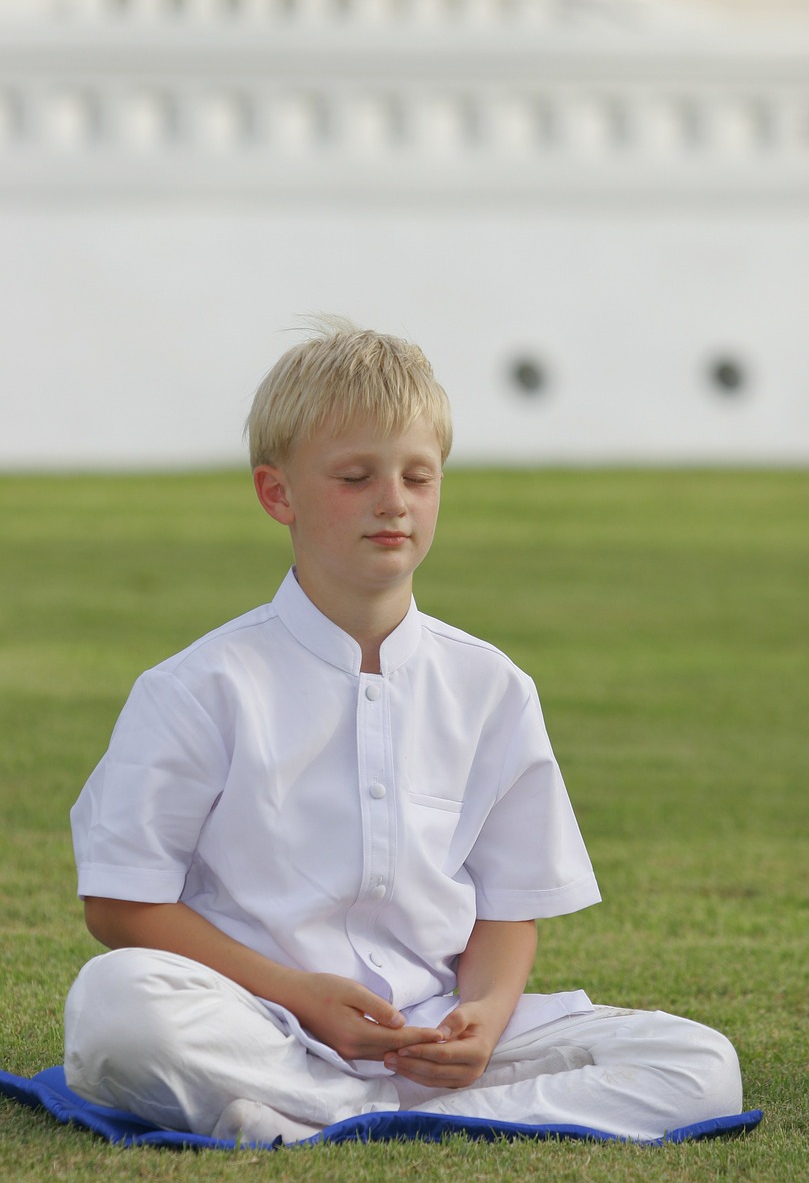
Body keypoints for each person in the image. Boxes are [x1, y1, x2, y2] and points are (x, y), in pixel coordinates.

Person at [64, 318, 742, 1145]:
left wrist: (485, 1019)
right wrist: (295, 993)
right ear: (277, 493)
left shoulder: (491, 686)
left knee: (701, 1062)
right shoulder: (197, 688)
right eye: (355, 477)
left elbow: (507, 905)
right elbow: (120, 903)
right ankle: (350, 1106)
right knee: (114, 1008)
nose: (394, 502)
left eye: (418, 476)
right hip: (254, 1015)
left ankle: (323, 1116)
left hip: (433, 1033)